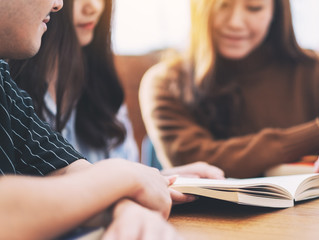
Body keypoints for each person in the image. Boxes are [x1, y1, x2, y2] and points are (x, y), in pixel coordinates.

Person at [0, 0, 220, 239]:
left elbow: (65, 168)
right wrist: (122, 179)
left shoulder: (5, 87)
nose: (58, 4)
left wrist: (127, 199)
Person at [139, 0, 319, 184]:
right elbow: (198, 162)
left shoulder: (310, 71)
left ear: (275, 11)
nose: (235, 22)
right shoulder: (165, 82)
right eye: (222, 5)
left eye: (254, 7)